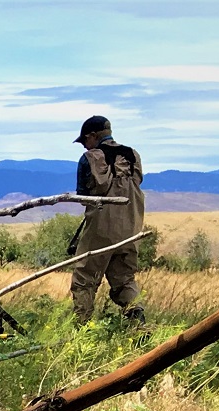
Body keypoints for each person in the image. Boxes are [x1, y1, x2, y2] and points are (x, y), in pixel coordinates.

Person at [71, 115, 146, 322]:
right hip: (131, 230)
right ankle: (139, 326)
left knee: (84, 281)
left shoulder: (89, 158)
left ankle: (80, 330)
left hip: (100, 230)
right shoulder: (133, 155)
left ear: (93, 136)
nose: (84, 147)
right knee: (124, 281)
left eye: (84, 141)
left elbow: (82, 196)